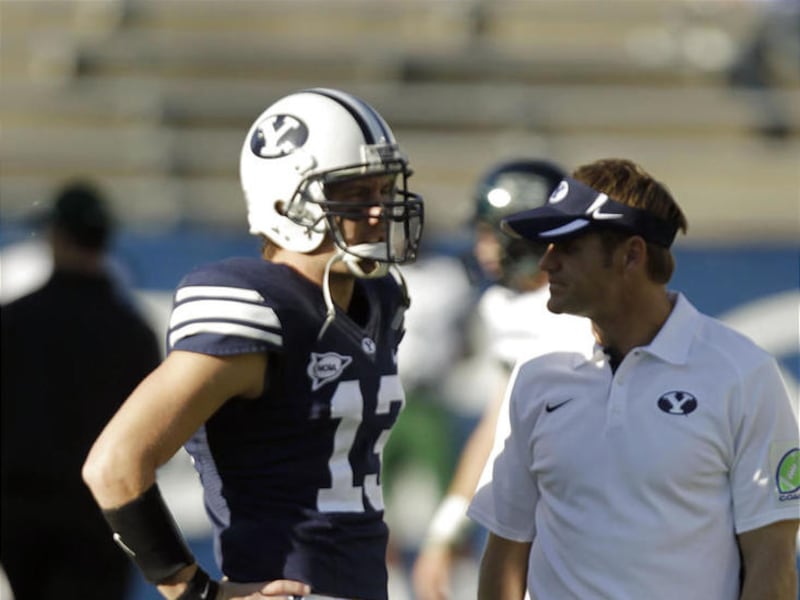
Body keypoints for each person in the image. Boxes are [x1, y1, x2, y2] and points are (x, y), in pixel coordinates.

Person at [81, 88, 424, 600]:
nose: (379, 210)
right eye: (355, 193)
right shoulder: (259, 307)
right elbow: (114, 465)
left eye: (384, 189)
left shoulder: (379, 298)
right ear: (286, 205)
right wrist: (193, 591)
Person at [468, 158, 800, 599]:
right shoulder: (536, 372)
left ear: (632, 255)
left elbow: (772, 559)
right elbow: (506, 551)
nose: (547, 262)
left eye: (568, 246)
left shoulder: (743, 375)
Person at [411, 159, 594, 600]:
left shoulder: (589, 312)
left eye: (492, 233)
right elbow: (499, 423)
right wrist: (447, 528)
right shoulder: (502, 307)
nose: (482, 248)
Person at [0, 180, 162, 599]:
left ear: (56, 236)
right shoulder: (133, 332)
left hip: (22, 515)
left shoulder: (14, 322)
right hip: (105, 515)